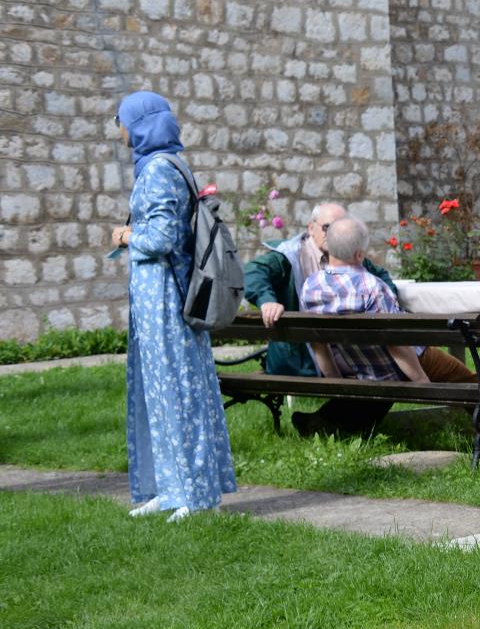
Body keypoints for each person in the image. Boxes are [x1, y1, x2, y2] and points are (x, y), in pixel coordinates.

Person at [111, 90, 237, 522]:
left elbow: (164, 238)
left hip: (166, 296)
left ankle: (195, 493)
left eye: (121, 120)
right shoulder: (159, 166)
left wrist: (126, 237)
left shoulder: (161, 170)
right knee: (158, 394)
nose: (119, 130)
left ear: (140, 124)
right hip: (154, 298)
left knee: (178, 392)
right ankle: (169, 486)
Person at [244, 199, 402, 437]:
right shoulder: (288, 256)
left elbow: (383, 280)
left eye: (341, 226)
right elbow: (252, 273)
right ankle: (328, 425)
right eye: (328, 227)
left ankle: (324, 424)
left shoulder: (349, 254)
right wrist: (267, 300)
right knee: (388, 368)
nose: (335, 232)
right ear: (311, 228)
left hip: (344, 352)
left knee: (383, 366)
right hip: (301, 358)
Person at [298, 215, 478, 386]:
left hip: (366, 370)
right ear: (359, 255)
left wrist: (338, 385)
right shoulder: (371, 286)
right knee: (464, 378)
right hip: (401, 368)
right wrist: (422, 382)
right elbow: (396, 343)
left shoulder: (311, 286)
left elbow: (319, 346)